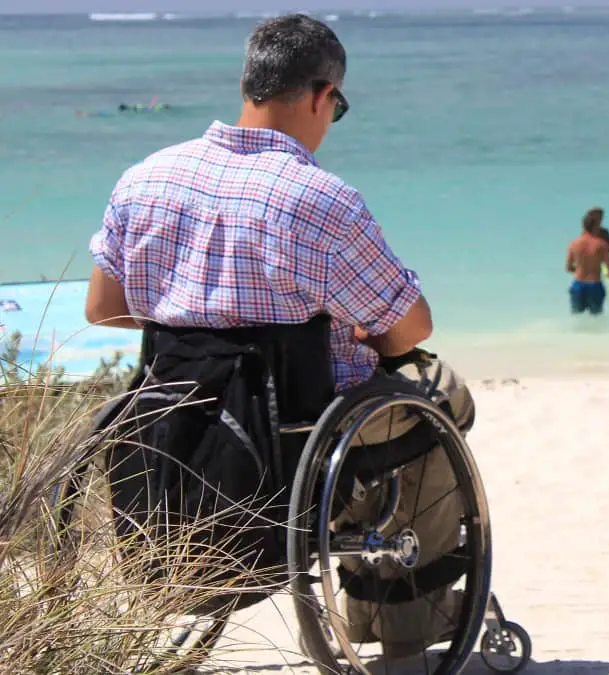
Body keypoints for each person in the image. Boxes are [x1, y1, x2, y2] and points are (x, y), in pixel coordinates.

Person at [84, 13, 470, 665]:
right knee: (445, 405)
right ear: (323, 96)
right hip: (301, 429)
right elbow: (411, 328)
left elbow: (104, 308)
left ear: (250, 84)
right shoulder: (322, 200)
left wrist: (204, 317)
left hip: (180, 421)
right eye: (336, 110)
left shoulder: (145, 178)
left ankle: (379, 602)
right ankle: (403, 616)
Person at [566, 207, 609, 314]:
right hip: (595, 285)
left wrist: (580, 269)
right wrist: (606, 273)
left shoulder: (573, 244)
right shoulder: (601, 244)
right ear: (595, 227)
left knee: (576, 317)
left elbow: (568, 268)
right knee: (596, 319)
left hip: (578, 284)